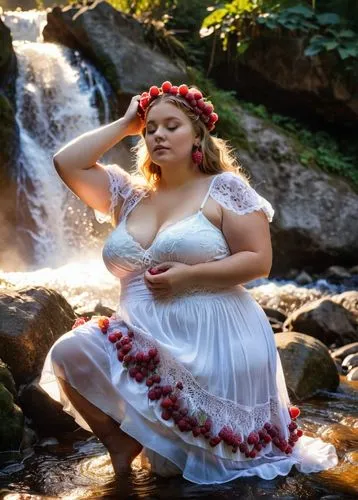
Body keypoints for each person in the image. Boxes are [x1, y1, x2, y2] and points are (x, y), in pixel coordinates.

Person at [39, 81, 338, 484]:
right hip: (145, 334)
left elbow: (259, 261)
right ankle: (120, 442)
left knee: (202, 470)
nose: (158, 134)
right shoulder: (128, 197)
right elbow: (67, 162)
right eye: (151, 128)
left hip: (217, 336)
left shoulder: (225, 188)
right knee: (69, 351)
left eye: (172, 125)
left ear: (198, 134)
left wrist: (189, 276)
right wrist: (127, 122)